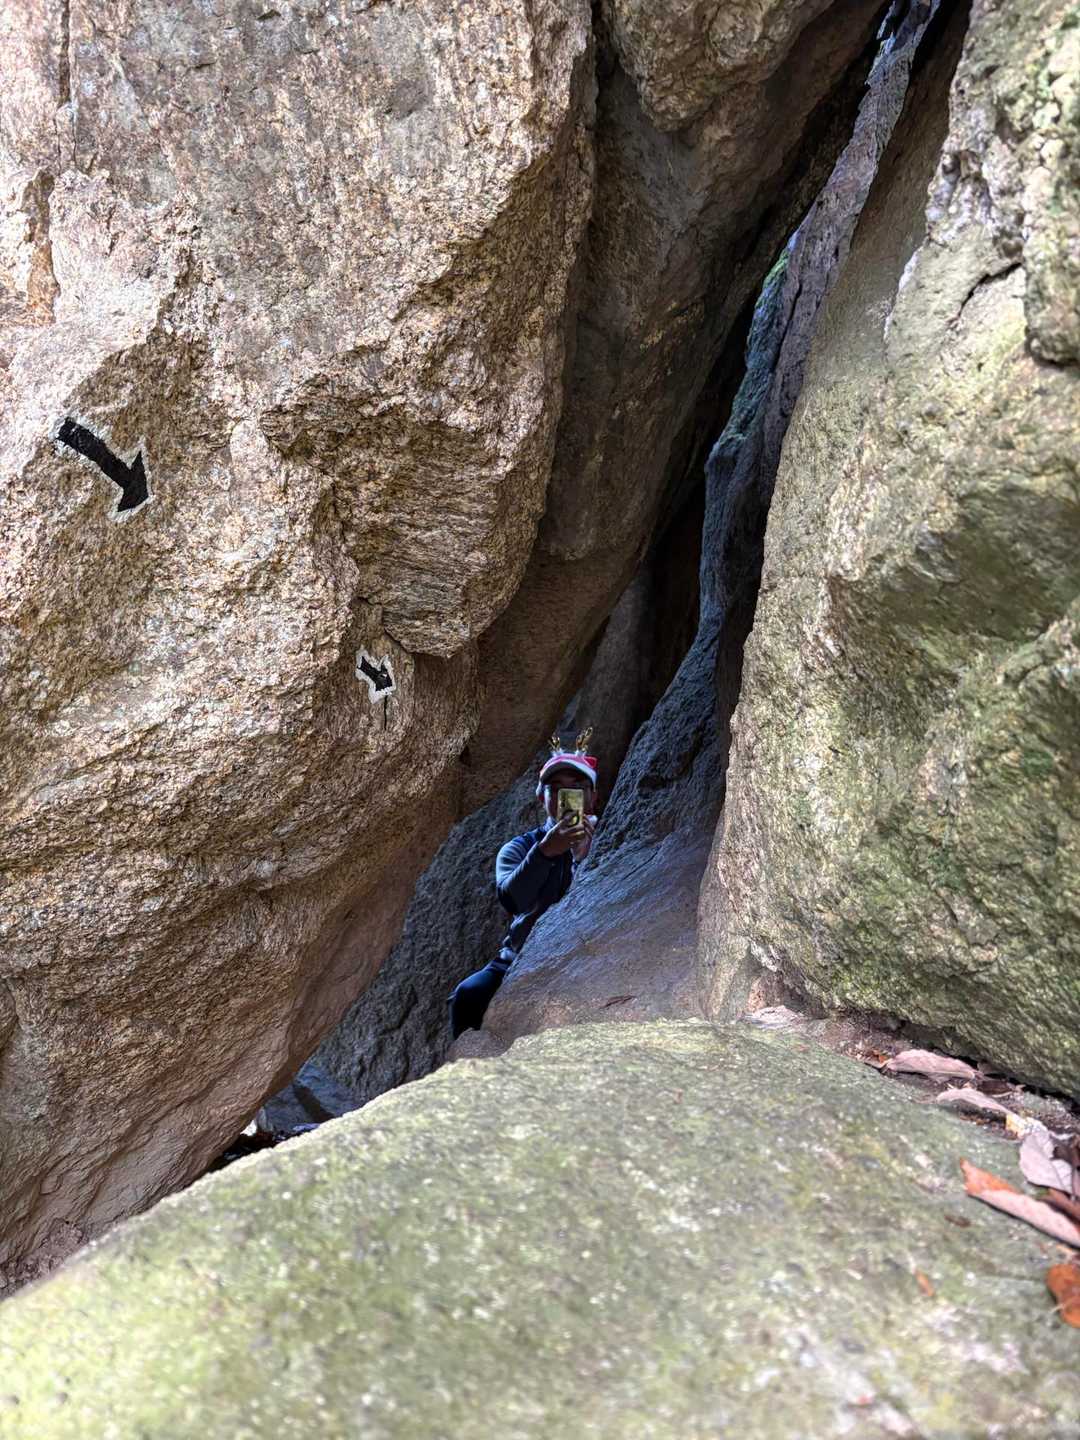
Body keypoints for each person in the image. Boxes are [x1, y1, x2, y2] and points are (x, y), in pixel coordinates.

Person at [448, 730, 599, 1039]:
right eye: (556, 789)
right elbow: (512, 899)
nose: (566, 796)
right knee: (468, 994)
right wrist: (545, 852)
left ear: (592, 796)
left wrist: (583, 858)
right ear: (542, 797)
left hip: (588, 952)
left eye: (577, 787)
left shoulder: (609, 835)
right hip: (518, 958)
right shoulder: (519, 848)